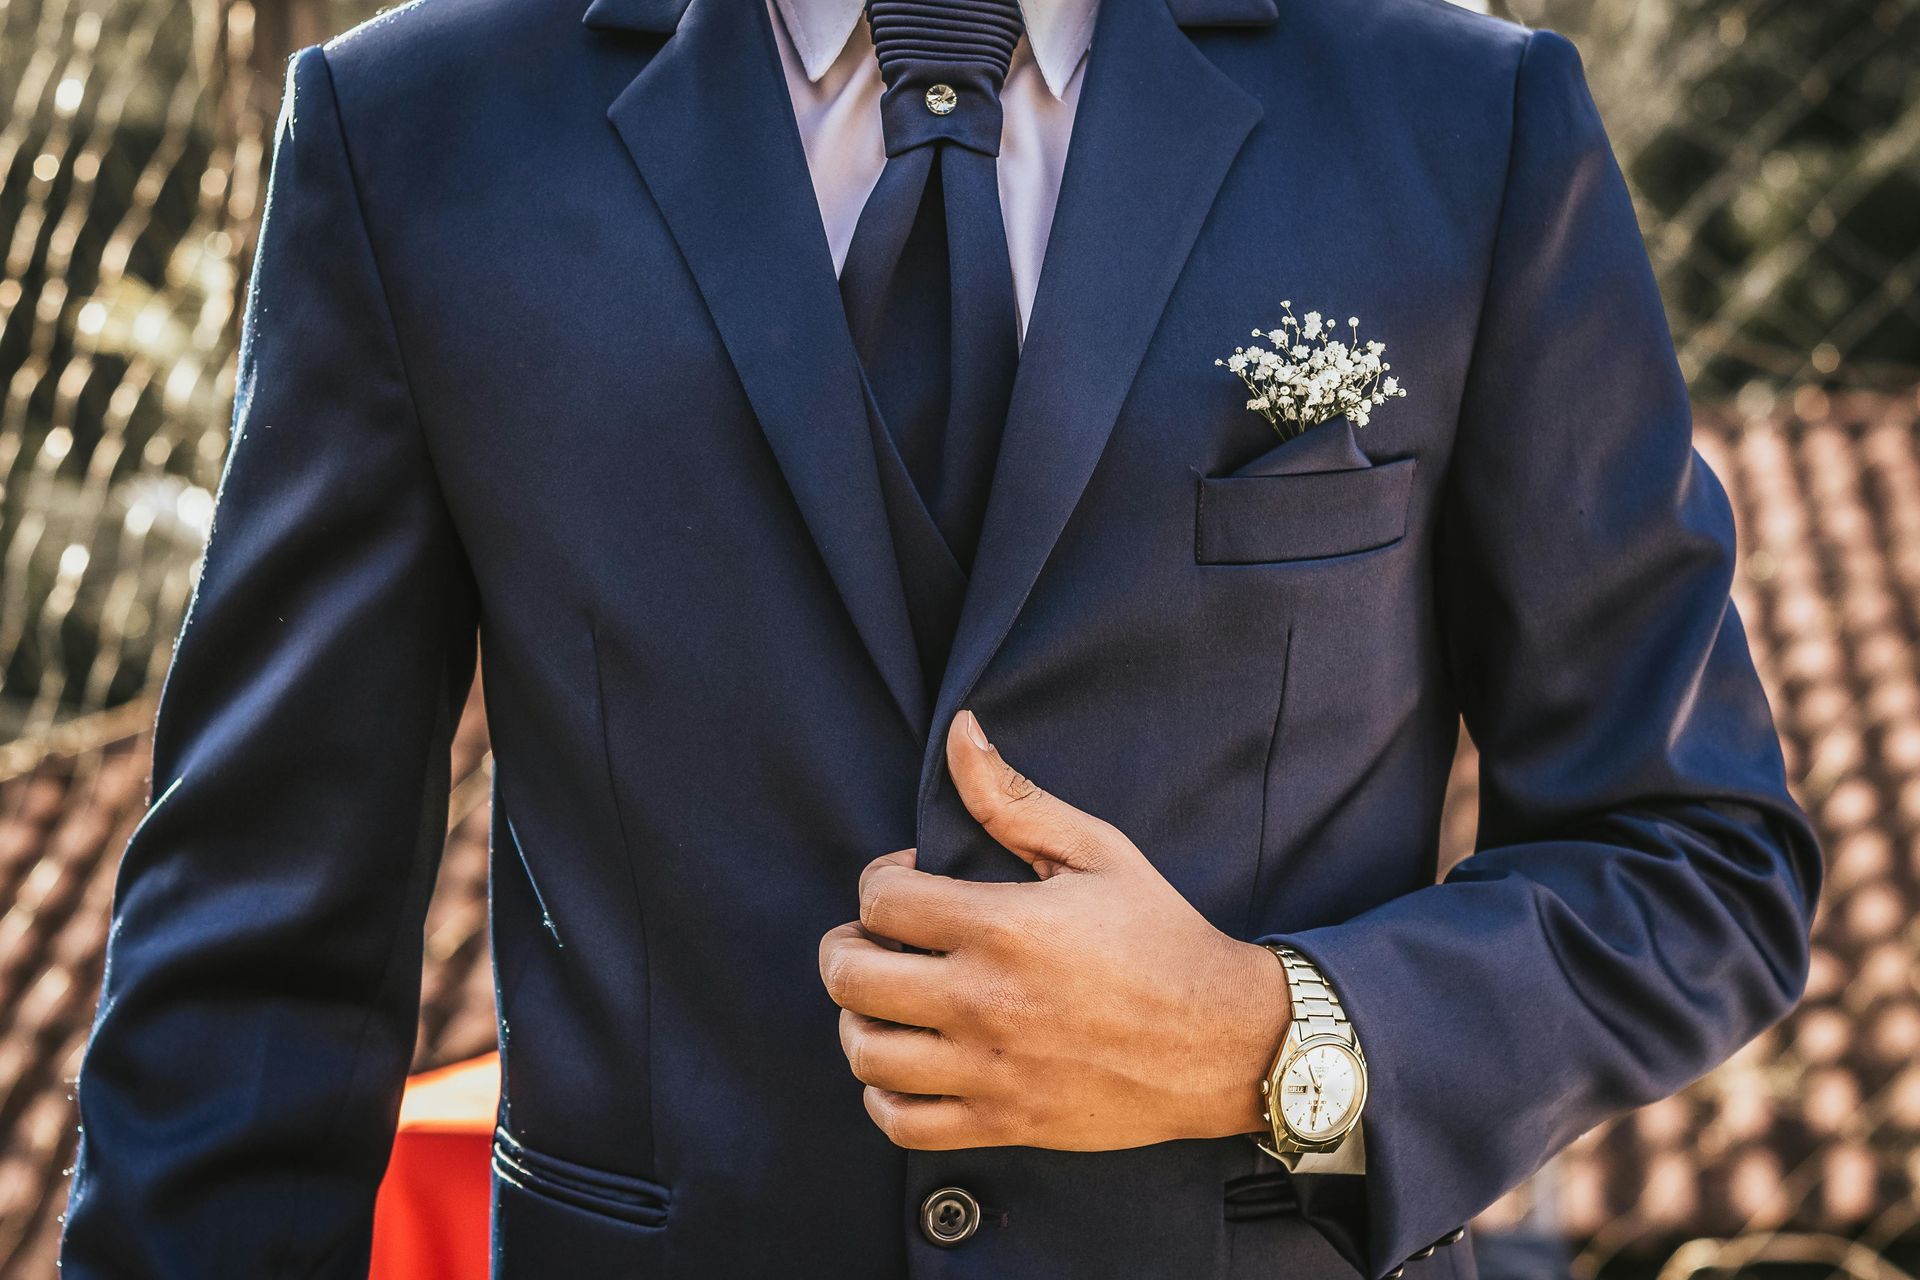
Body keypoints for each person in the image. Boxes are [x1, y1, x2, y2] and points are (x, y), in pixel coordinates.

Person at [57, 0, 1823, 1276]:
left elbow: (1697, 859)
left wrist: (1273, 1036)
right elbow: (258, 951)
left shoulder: (1464, 120)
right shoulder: (417, 133)